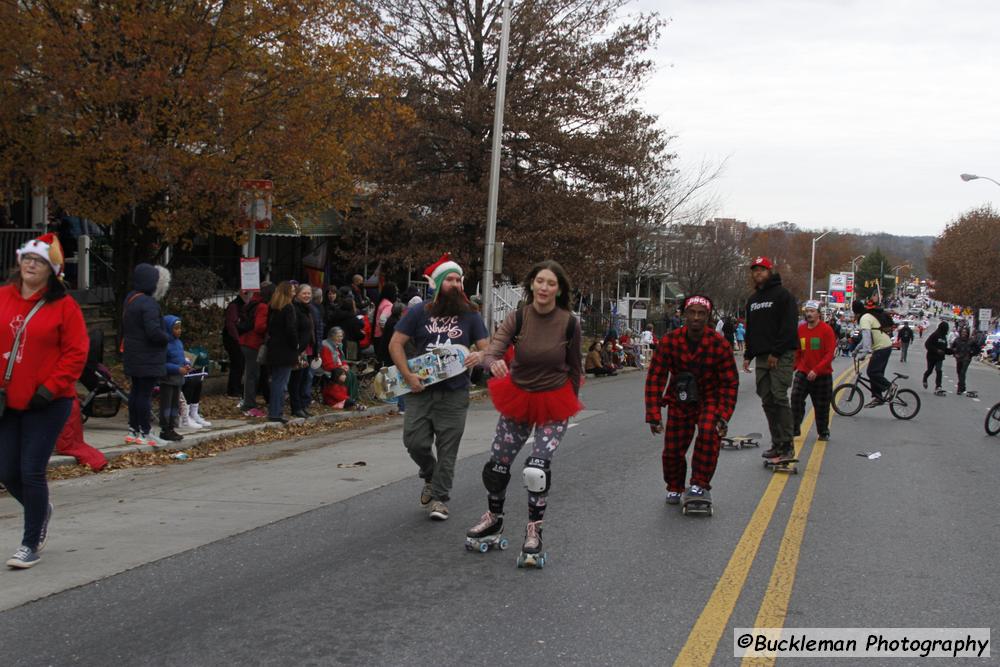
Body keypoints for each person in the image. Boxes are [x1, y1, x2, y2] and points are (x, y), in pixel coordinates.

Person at [467, 260, 583, 562]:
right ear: (531, 284)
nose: (544, 288)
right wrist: (492, 362)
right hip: (519, 395)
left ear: (559, 290)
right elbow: (493, 349)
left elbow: (575, 367)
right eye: (540, 281)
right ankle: (494, 517)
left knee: (536, 469)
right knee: (497, 466)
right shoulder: (518, 317)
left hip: (554, 401)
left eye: (551, 283)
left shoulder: (570, 323)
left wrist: (572, 403)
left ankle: (534, 529)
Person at [0, 233, 88, 568]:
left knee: (31, 470)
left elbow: (76, 353)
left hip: (47, 403)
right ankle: (40, 508)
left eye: (38, 261)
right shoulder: (3, 297)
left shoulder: (64, 306)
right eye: (26, 259)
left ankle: (30, 541)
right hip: (8, 402)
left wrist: (50, 388)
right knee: (7, 471)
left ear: (51, 270)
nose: (30, 265)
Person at [388, 253, 488, 521]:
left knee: (448, 447)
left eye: (458, 280)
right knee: (415, 442)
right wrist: (407, 375)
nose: (455, 284)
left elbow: (487, 349)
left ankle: (439, 499)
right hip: (420, 390)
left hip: (455, 393)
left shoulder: (471, 315)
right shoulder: (419, 312)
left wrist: (478, 356)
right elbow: (395, 343)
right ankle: (429, 474)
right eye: (450, 279)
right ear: (438, 283)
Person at [644, 295, 739, 508]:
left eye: (701, 313)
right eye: (692, 313)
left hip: (710, 397)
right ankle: (675, 486)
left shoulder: (719, 344)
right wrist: (653, 415)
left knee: (707, 432)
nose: (696, 317)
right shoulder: (670, 341)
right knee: (672, 450)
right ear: (685, 314)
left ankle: (699, 483)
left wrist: (723, 415)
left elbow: (730, 383)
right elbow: (656, 378)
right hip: (681, 397)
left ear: (708, 316)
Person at [742, 256, 798, 460]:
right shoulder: (753, 300)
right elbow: (752, 330)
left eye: (762, 269)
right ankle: (776, 443)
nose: (758, 273)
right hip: (761, 356)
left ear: (770, 271)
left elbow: (789, 327)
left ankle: (787, 444)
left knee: (779, 397)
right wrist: (748, 354)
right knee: (767, 399)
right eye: (755, 270)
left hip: (781, 355)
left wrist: (777, 352)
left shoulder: (783, 296)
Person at [122, 262, 171, 447]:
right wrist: (166, 337)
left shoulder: (130, 298)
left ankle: (133, 430)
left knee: (135, 393)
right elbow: (153, 332)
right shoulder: (149, 303)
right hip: (148, 357)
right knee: (145, 395)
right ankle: (145, 432)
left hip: (133, 355)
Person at [790, 301, 837, 441]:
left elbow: (829, 354)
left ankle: (823, 431)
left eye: (812, 311)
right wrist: (795, 367)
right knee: (796, 398)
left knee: (821, 406)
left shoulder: (827, 330)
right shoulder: (801, 330)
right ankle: (794, 428)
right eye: (807, 311)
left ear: (819, 313)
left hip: (822, 375)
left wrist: (817, 370)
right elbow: (798, 351)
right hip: (803, 372)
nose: (809, 314)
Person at [265, 282, 298, 423]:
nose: (294, 292)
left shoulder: (273, 307)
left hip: (274, 348)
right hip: (285, 349)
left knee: (276, 381)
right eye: (292, 290)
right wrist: (295, 343)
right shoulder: (288, 308)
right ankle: (276, 412)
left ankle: (274, 410)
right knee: (281, 381)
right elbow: (290, 329)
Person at [238, 283, 271, 418]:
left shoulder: (253, 302)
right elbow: (259, 327)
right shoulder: (263, 306)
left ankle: (247, 402)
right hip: (253, 343)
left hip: (246, 341)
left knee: (250, 374)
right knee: (252, 375)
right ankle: (249, 405)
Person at [852, 299, 892, 408]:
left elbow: (866, 338)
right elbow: (866, 338)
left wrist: (864, 353)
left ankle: (890, 387)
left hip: (882, 347)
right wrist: (856, 350)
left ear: (856, 312)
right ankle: (878, 397)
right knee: (875, 373)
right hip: (885, 346)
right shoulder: (867, 316)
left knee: (872, 372)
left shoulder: (864, 319)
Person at [158, 315, 190, 441]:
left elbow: (181, 358)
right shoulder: (164, 344)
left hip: (178, 379)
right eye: (176, 328)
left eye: (180, 328)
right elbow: (162, 363)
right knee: (167, 404)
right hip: (168, 379)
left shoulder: (179, 343)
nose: (179, 331)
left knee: (174, 405)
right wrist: (177, 369)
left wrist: (186, 365)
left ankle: (172, 426)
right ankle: (165, 428)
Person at [289, 284, 316, 418]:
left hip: (308, 349)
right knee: (296, 380)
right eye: (304, 293)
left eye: (309, 293)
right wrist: (298, 347)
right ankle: (296, 407)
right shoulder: (295, 309)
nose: (307, 296)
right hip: (299, 350)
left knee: (304, 379)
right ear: (298, 294)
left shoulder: (308, 309)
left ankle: (302, 406)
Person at [222, 291, 248, 397]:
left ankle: (235, 387)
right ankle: (233, 389)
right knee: (238, 363)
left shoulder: (243, 305)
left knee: (238, 364)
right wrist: (237, 339)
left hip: (238, 338)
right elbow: (231, 325)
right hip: (233, 339)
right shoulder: (234, 305)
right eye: (246, 293)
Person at [373, 281, 399, 367]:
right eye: (395, 291)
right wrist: (385, 330)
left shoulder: (382, 301)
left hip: (376, 335)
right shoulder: (388, 305)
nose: (397, 293)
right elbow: (382, 320)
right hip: (381, 336)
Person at [951, 326, 979, 395]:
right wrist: (955, 354)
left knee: (962, 372)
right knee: (959, 372)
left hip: (966, 358)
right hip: (959, 358)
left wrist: (972, 353)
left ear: (967, 333)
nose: (964, 333)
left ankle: (959, 388)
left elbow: (977, 348)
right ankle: (963, 386)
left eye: (965, 332)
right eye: (963, 332)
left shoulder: (971, 340)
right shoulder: (957, 340)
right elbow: (952, 348)